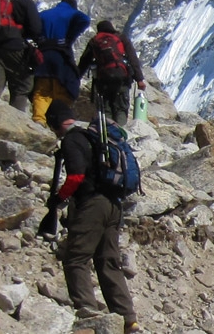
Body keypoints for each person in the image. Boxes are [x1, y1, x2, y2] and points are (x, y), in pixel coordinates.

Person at [43, 103, 139, 330]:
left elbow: (76, 176)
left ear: (55, 123)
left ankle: (87, 312)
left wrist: (59, 198)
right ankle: (128, 319)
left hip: (92, 205)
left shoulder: (72, 140)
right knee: (108, 262)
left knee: (76, 258)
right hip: (114, 205)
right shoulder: (95, 138)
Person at [31, 0, 90, 125]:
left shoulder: (44, 14)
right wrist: (70, 37)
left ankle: (39, 120)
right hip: (61, 55)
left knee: (42, 90)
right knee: (62, 89)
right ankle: (59, 121)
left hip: (43, 54)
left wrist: (39, 39)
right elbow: (85, 19)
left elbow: (32, 25)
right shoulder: (70, 12)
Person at [77, 20, 146, 122]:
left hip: (103, 81)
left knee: (106, 109)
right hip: (122, 79)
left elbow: (84, 62)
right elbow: (133, 59)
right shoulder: (121, 38)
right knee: (121, 108)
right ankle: (119, 133)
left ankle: (109, 132)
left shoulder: (95, 41)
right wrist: (139, 79)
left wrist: (75, 78)